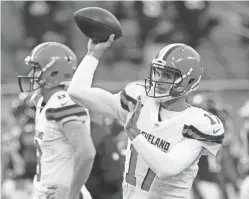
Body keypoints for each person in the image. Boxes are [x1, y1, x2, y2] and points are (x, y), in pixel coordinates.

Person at [67, 34, 225, 199]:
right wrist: (93, 54)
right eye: (158, 72)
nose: (158, 79)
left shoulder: (198, 123)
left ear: (188, 82)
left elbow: (167, 169)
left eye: (167, 75)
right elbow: (76, 92)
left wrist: (135, 135)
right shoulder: (140, 99)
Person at [17, 42, 96, 199]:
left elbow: (87, 153)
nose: (32, 73)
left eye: (36, 68)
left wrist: (72, 193)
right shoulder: (44, 102)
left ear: (54, 74)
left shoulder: (63, 103)